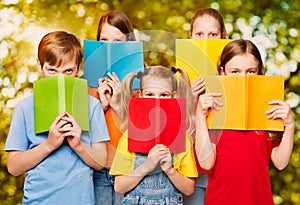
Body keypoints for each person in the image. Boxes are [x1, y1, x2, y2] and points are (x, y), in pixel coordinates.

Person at [4, 31, 109, 204]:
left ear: (79, 66)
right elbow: (14, 167)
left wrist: (78, 145)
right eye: (52, 70)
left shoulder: (92, 105)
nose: (60, 78)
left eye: (68, 71)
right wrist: (49, 144)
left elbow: (101, 161)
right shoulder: (24, 108)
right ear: (39, 65)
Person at [195, 39, 295, 204]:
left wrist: (290, 125)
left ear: (260, 71)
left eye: (251, 71)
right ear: (222, 72)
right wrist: (200, 115)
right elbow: (206, 164)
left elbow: (280, 162)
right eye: (235, 71)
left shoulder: (268, 109)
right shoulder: (213, 111)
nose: (243, 78)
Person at [109, 66, 198, 204]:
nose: (157, 101)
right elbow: (119, 187)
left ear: (173, 96)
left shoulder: (183, 138)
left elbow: (189, 189)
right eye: (150, 95)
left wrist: (169, 170)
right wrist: (147, 166)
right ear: (140, 95)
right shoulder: (128, 137)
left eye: (164, 95)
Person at [184, 7, 228, 205]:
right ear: (191, 37)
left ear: (223, 37)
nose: (206, 40)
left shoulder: (234, 75)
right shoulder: (179, 78)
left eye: (213, 34)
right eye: (199, 34)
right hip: (191, 171)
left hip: (226, 172)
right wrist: (188, 99)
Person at [92, 11, 136, 205]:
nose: (110, 46)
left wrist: (121, 104)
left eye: (117, 41)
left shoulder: (140, 77)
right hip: (99, 167)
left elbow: (144, 131)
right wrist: (99, 107)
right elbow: (83, 132)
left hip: (128, 167)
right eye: (104, 40)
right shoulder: (88, 78)